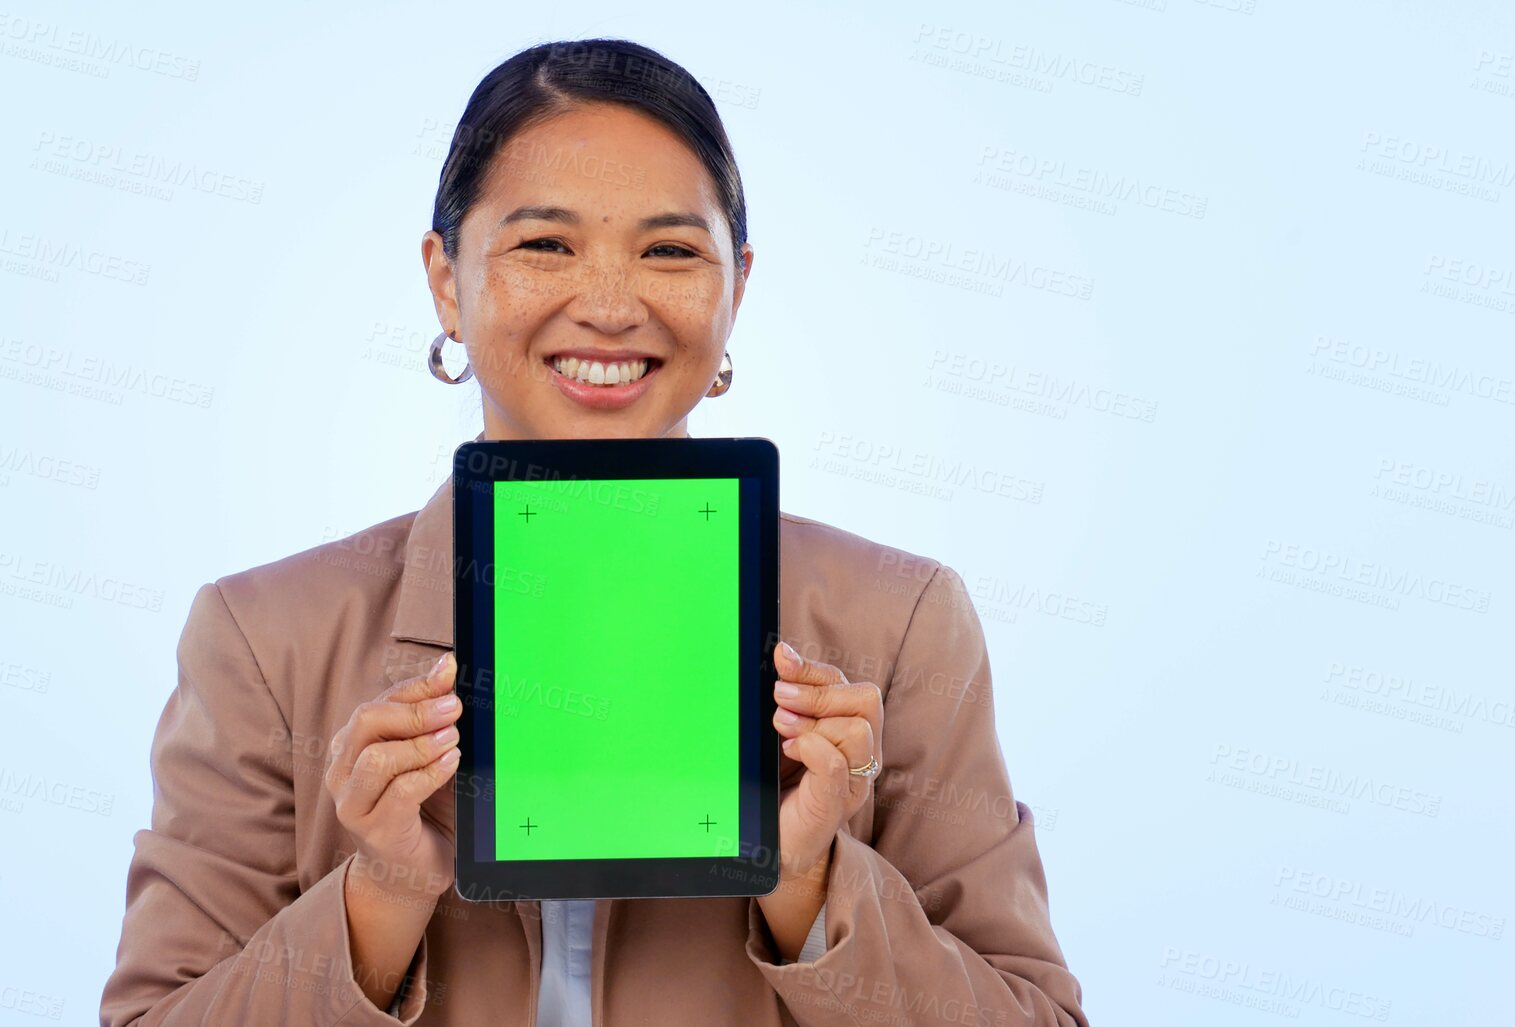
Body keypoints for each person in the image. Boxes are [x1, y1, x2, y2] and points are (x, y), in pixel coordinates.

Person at [99, 37, 1088, 1027]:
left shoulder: (899, 623)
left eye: (669, 249)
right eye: (544, 244)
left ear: (736, 284)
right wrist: (381, 895)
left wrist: (810, 883)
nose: (611, 306)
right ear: (447, 277)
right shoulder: (263, 636)